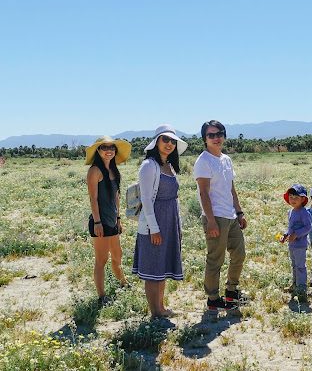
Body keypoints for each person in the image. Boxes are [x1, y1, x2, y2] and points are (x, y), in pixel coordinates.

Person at [132, 125, 187, 321]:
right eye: (166, 140)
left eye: (173, 141)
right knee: (152, 270)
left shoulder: (169, 166)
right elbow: (146, 199)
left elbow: (175, 198)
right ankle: (155, 313)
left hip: (169, 221)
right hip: (154, 223)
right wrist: (154, 229)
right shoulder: (149, 165)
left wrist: (178, 225)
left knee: (161, 269)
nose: (170, 144)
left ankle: (161, 308)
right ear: (156, 142)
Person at [193, 120, 248, 312]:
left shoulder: (226, 159)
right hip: (215, 217)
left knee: (239, 254)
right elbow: (204, 193)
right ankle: (213, 299)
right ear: (205, 139)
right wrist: (210, 221)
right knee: (215, 259)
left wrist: (239, 212)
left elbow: (231, 189)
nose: (216, 138)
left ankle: (231, 292)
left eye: (219, 134)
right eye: (211, 135)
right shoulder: (203, 161)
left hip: (231, 216)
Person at [85, 135, 132, 306]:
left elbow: (116, 197)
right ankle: (102, 295)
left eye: (112, 147)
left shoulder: (113, 171)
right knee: (101, 260)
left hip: (112, 221)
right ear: (98, 151)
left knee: (117, 255)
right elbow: (93, 199)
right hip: (101, 222)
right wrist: (97, 222)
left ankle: (123, 282)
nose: (109, 150)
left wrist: (118, 218)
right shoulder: (95, 171)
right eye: (104, 148)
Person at [280, 184, 312, 302]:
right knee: (294, 265)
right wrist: (285, 235)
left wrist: (296, 234)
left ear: (303, 199)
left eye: (296, 197)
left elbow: (308, 227)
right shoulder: (291, 212)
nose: (293, 200)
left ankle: (302, 288)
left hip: (300, 245)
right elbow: (290, 227)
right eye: (291, 197)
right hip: (292, 244)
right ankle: (295, 284)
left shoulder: (303, 213)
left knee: (300, 266)